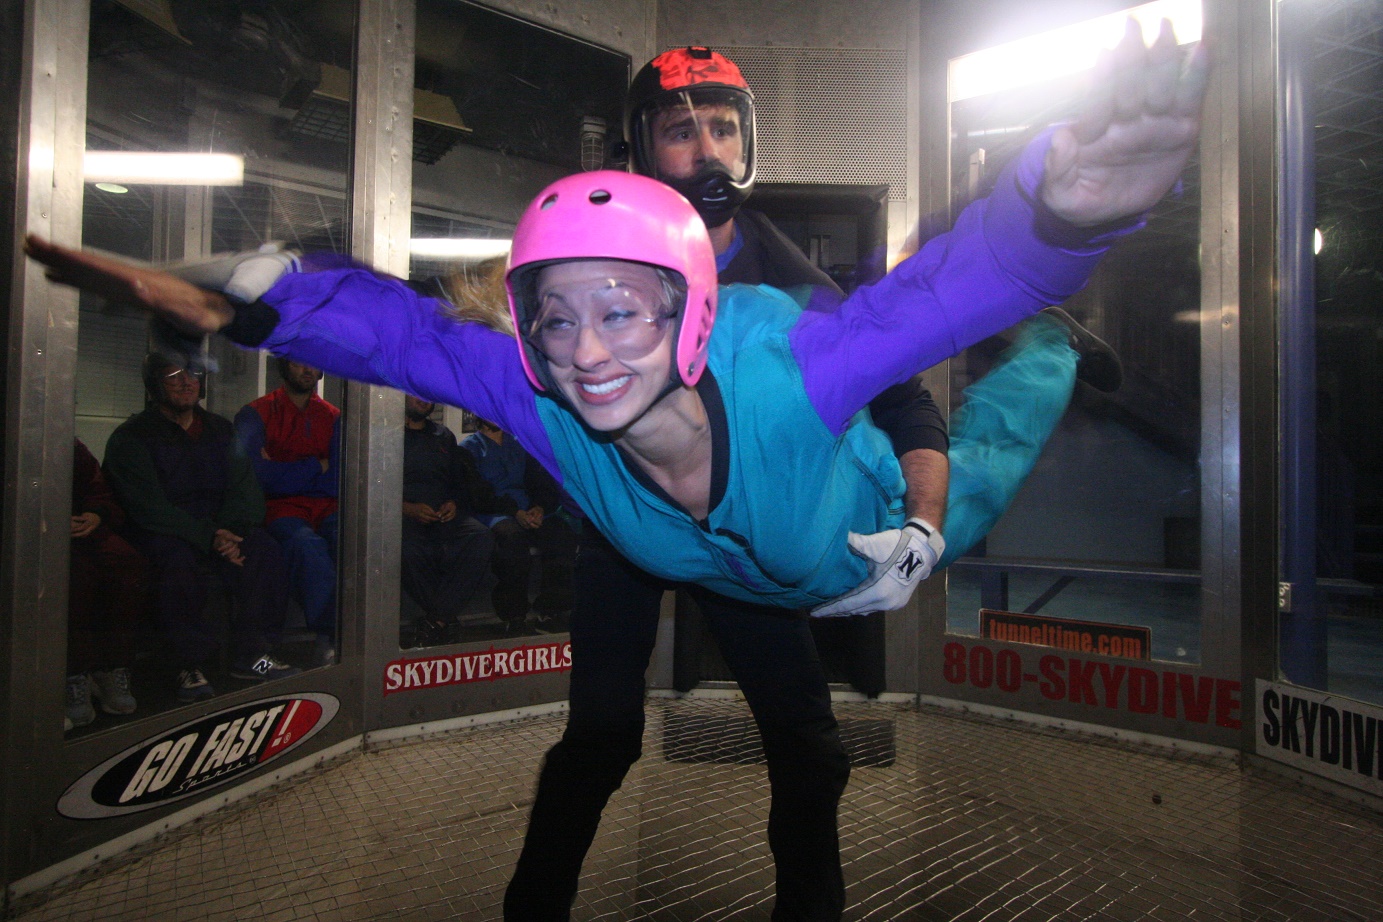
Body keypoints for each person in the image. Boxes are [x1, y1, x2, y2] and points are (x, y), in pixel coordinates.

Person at [26, 22, 1207, 918]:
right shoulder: (543, 352)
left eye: (628, 316)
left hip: (796, 518)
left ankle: (1051, 352)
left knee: (828, 715)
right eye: (560, 320)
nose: (589, 352)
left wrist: (1065, 215)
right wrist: (236, 296)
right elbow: (404, 333)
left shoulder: (797, 331)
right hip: (628, 525)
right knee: (597, 738)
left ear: (694, 318)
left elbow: (938, 309)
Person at [101, 354, 301, 702]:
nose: (186, 381)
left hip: (220, 528)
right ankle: (187, 665)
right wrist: (209, 537)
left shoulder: (221, 430)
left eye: (193, 373)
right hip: (166, 532)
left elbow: (245, 490)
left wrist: (230, 532)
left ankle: (252, 654)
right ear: (154, 385)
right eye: (173, 374)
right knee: (174, 562)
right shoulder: (131, 437)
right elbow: (147, 507)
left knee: (265, 551)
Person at [234, 358, 340, 665]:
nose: (307, 370)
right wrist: (315, 465)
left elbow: (337, 479)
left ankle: (363, 634)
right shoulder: (256, 414)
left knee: (355, 539)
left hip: (328, 506)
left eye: (313, 363)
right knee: (306, 545)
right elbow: (257, 476)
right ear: (283, 366)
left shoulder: (334, 417)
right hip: (280, 509)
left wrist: (284, 471)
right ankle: (328, 635)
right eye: (298, 362)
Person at [401, 395, 509, 644]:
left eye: (427, 395)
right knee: (404, 547)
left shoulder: (444, 436)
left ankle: (437, 619)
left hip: (442, 514)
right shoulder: (388, 433)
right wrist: (407, 508)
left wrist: (453, 503)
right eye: (415, 393)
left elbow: (458, 484)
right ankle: (442, 618)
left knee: (480, 536)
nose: (423, 399)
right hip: (402, 514)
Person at [462, 417, 579, 631]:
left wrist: (539, 507)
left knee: (560, 535)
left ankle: (551, 610)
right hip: (494, 512)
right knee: (512, 540)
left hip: (527, 509)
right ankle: (514, 616)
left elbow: (538, 482)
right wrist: (514, 512)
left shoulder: (519, 444)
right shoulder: (470, 448)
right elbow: (477, 494)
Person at [66, 437, 147, 730]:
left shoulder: (70, 445)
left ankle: (112, 669)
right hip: (36, 531)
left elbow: (99, 490)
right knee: (73, 576)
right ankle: (73, 674)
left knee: (127, 563)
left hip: (82, 529)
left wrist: (95, 514)